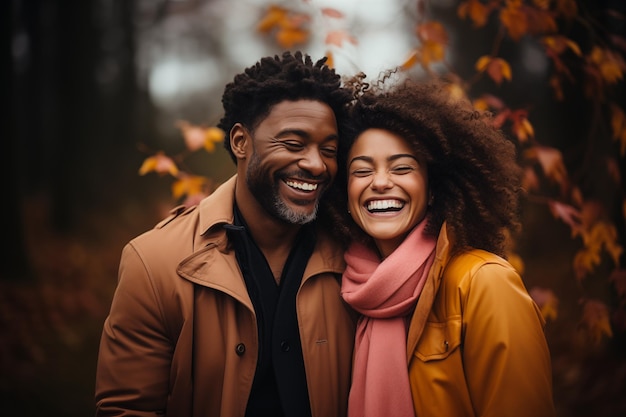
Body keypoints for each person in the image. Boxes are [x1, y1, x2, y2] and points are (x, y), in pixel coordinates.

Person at [95, 51, 357, 417]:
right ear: (240, 142)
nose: (315, 164)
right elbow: (128, 409)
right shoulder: (155, 264)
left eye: (328, 150)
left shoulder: (358, 258)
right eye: (294, 144)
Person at [327, 76, 556, 417]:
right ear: (344, 194)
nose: (380, 183)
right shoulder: (346, 291)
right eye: (362, 171)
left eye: (402, 168)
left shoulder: (484, 283)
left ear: (433, 188)